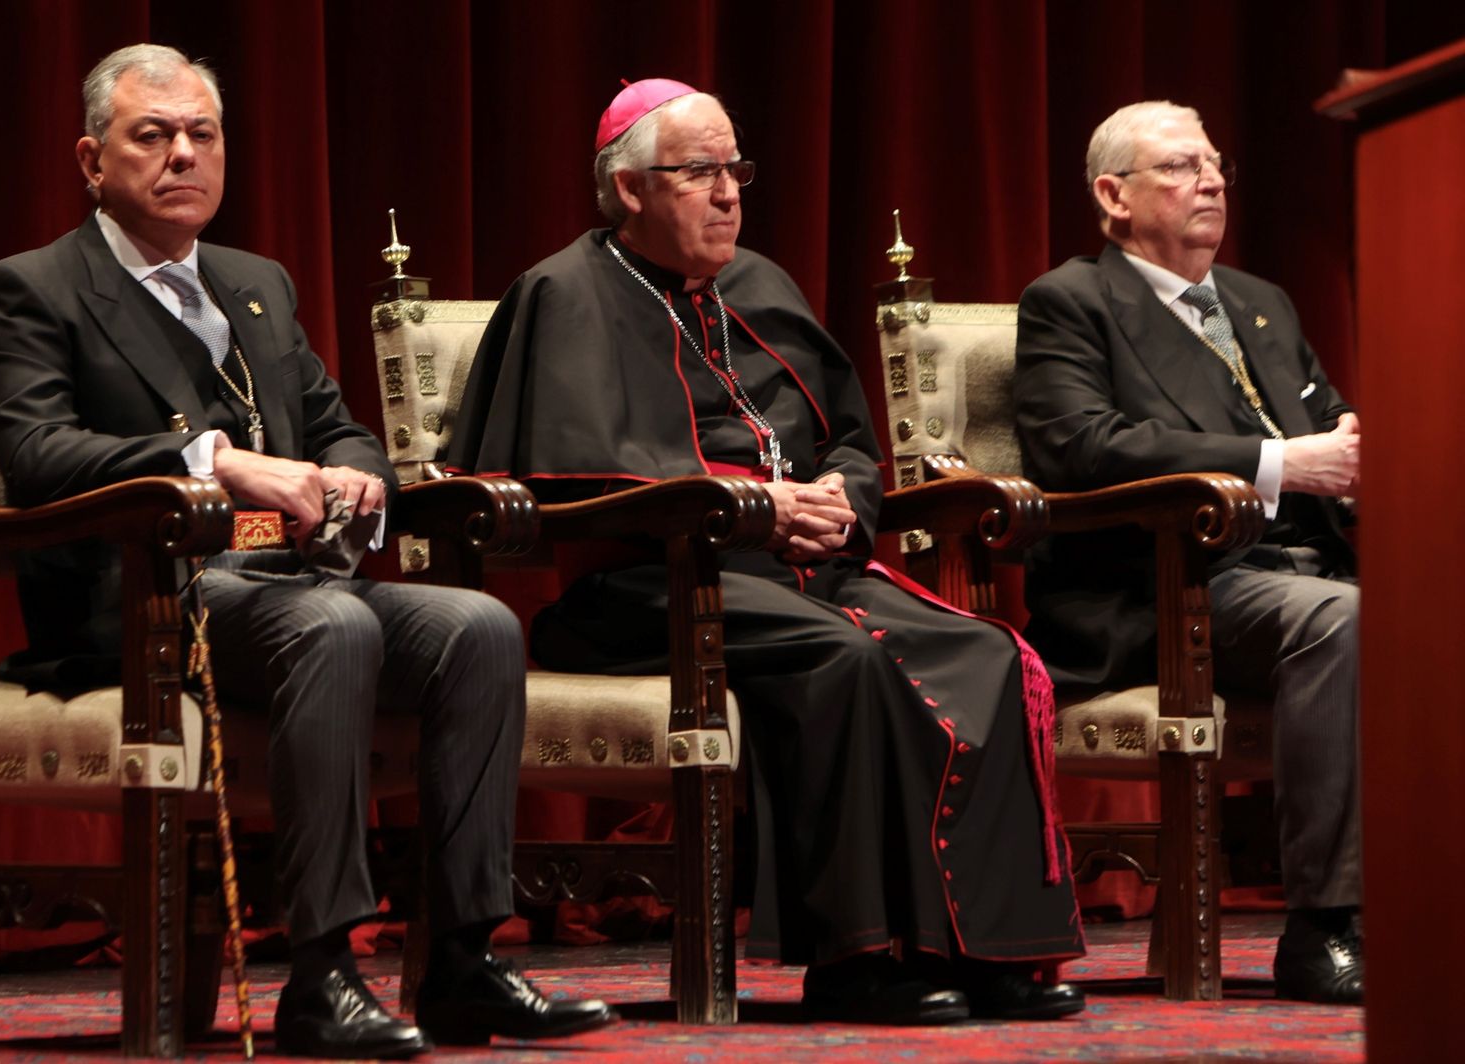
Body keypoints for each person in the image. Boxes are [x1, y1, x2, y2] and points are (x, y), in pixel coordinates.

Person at [0, 44, 614, 1057]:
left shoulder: (254, 280)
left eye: (202, 134)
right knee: (331, 624)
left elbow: (334, 423)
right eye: (153, 136)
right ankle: (322, 972)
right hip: (145, 599)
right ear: (93, 161)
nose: (183, 153)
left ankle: (460, 957)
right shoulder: (38, 285)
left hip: (286, 578)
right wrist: (216, 460)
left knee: (477, 626)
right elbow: (37, 454)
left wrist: (359, 474)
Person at [449, 79, 1086, 1025]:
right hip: (651, 588)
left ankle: (985, 948)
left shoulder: (761, 282)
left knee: (989, 654)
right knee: (847, 660)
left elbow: (851, 439)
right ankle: (855, 958)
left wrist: (840, 499)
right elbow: (565, 485)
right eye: (699, 172)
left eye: (735, 169)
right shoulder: (563, 294)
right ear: (629, 188)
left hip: (805, 573)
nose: (728, 193)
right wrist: (753, 513)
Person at [1014, 100, 1362, 1005]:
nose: (1209, 180)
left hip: (1305, 566)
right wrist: (1286, 463)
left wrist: (1354, 465)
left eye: (1213, 165)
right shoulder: (1072, 302)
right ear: (1112, 195)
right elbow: (1083, 448)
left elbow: (1326, 425)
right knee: (1343, 623)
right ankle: (1327, 925)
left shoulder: (1260, 303)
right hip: (1174, 585)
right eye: (1178, 167)